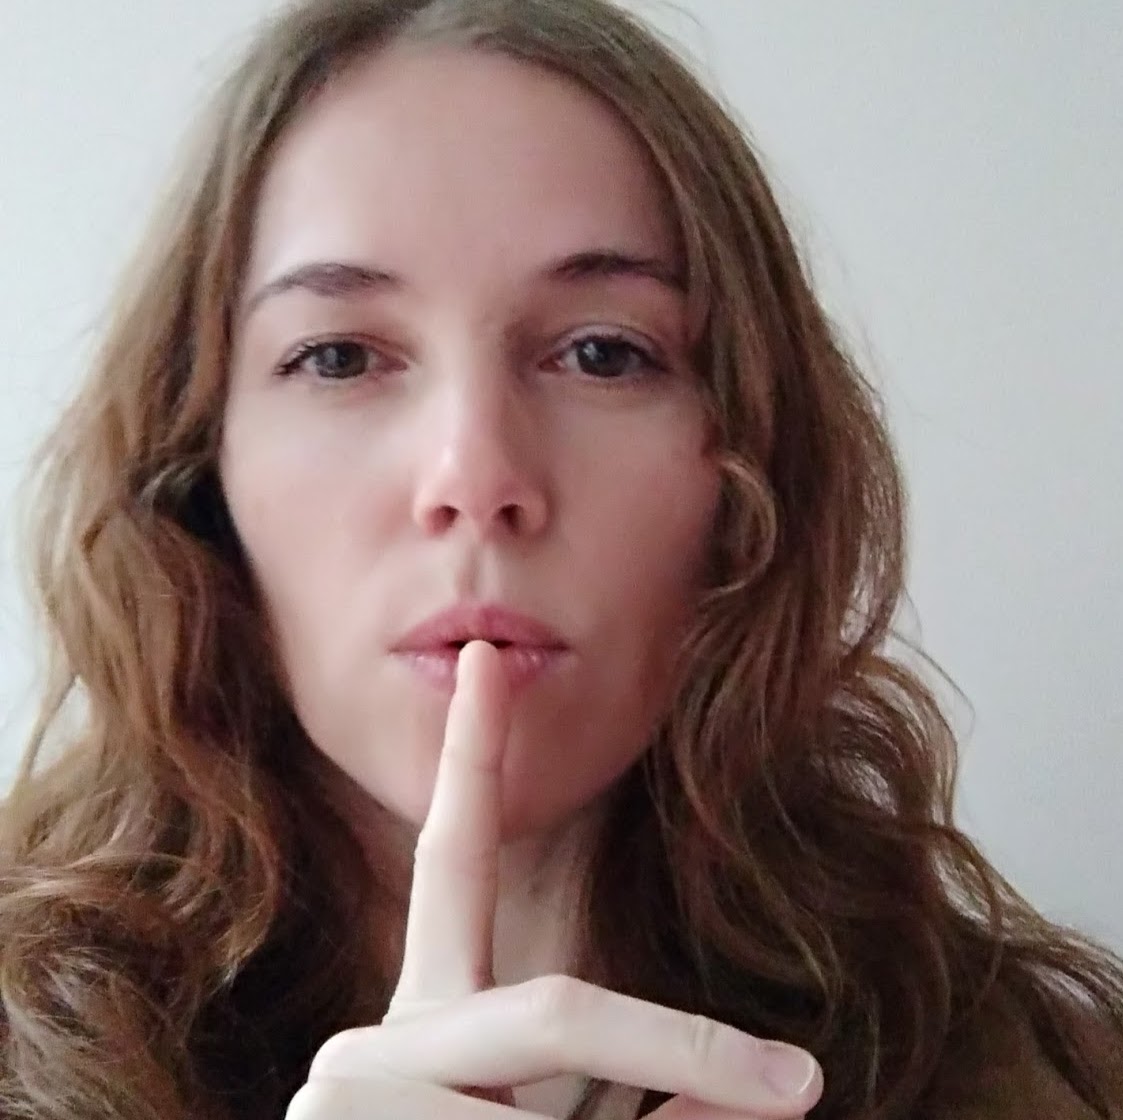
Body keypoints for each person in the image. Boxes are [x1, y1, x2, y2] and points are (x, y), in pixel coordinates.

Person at [1, 0, 1120, 1117]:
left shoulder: (1042, 1077)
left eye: (601, 353)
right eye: (338, 357)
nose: (474, 472)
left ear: (751, 467)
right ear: (199, 466)